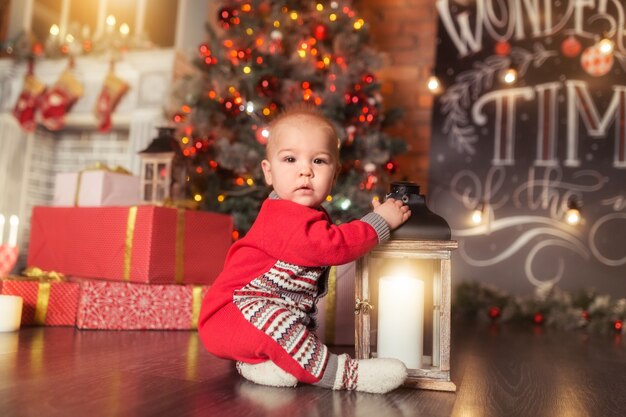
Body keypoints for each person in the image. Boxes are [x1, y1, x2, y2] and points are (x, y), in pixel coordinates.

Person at [198, 106, 412, 394]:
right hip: (232, 314)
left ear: (334, 175)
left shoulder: (307, 215)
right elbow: (335, 245)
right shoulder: (282, 216)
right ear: (268, 172)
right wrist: (380, 221)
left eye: (319, 161)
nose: (305, 170)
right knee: (281, 325)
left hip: (256, 319)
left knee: (292, 326)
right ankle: (345, 375)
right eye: (290, 159)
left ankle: (257, 363)